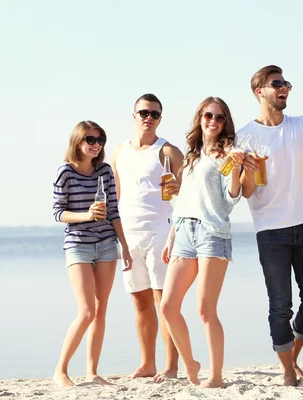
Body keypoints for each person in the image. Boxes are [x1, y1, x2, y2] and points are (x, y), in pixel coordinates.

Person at [237, 65, 303, 387]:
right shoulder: (245, 135)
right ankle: (289, 371)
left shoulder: (298, 125)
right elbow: (246, 192)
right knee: (280, 305)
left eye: (286, 84)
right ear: (259, 91)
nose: (284, 88)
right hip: (270, 231)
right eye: (276, 83)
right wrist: (248, 168)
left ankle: (291, 358)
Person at [159, 97, 245, 388]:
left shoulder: (228, 154)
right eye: (208, 115)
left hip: (213, 233)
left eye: (219, 118)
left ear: (224, 123)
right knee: (168, 306)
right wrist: (171, 236)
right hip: (183, 232)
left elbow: (232, 197)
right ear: (199, 118)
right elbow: (184, 199)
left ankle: (216, 376)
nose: (213, 121)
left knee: (205, 310)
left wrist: (235, 167)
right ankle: (190, 362)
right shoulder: (191, 154)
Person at [51, 120, 133, 387]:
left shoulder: (105, 171)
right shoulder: (65, 172)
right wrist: (86, 215)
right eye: (90, 139)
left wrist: (125, 246)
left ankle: (92, 372)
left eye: (100, 140)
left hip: (107, 244)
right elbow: (58, 213)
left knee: (100, 311)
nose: (96, 145)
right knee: (86, 311)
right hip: (78, 245)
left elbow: (113, 212)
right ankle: (60, 370)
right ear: (77, 141)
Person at [111, 94, 183, 380]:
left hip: (160, 230)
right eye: (144, 112)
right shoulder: (118, 152)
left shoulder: (167, 151)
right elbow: (114, 194)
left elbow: (188, 192)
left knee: (164, 301)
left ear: (160, 119)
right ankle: (147, 363)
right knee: (139, 301)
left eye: (154, 114)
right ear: (133, 115)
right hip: (128, 233)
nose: (148, 118)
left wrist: (178, 187)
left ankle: (171, 365)